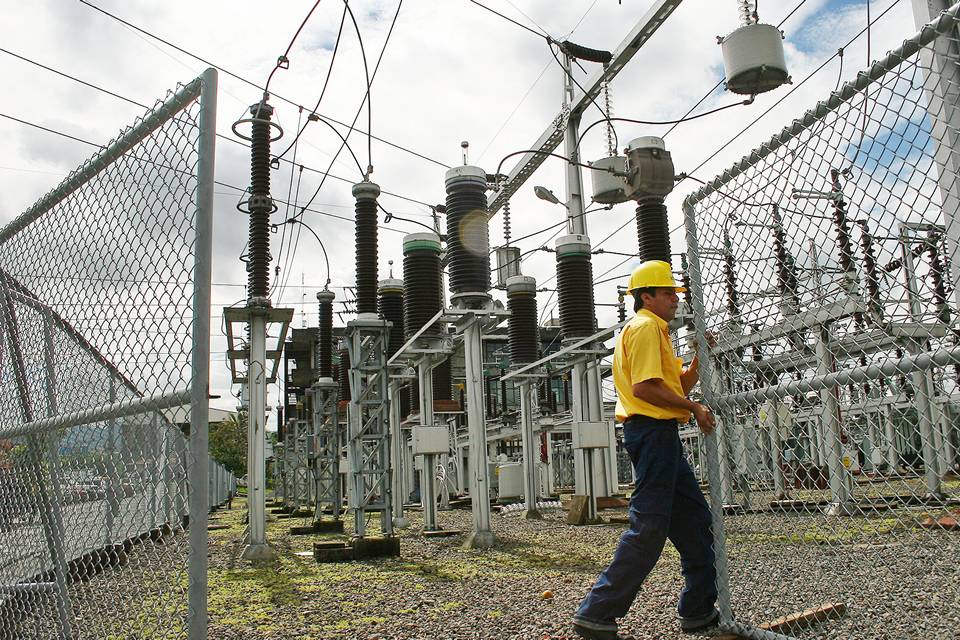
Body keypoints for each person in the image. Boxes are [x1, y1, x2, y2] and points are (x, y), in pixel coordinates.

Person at [572, 260, 719, 640]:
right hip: (651, 433)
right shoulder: (645, 328)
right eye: (668, 292)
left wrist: (700, 356)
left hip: (660, 434)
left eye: (675, 293)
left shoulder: (657, 331)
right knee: (649, 526)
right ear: (647, 296)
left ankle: (698, 610)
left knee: (695, 521)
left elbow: (676, 386)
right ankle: (596, 612)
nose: (675, 299)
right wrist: (695, 409)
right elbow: (646, 389)